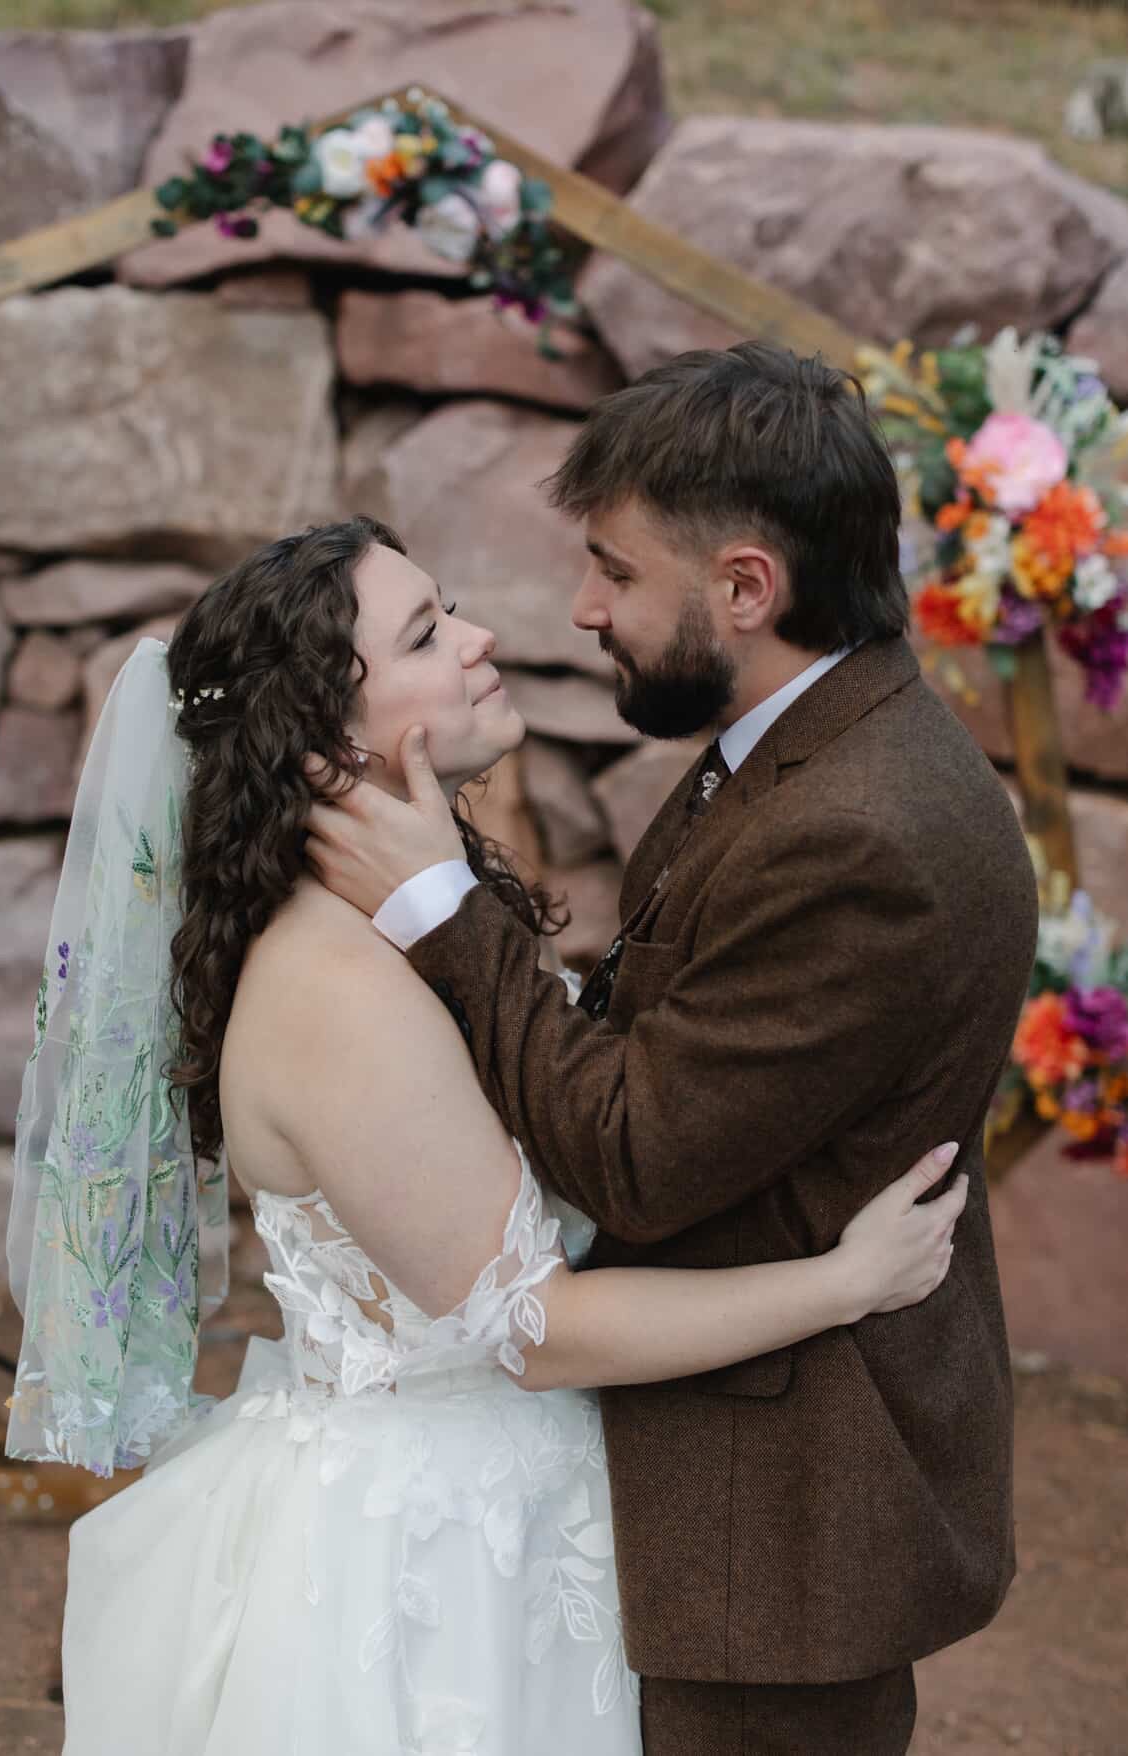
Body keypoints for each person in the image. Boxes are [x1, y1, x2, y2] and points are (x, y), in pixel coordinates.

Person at [4, 518, 963, 1756]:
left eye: (446, 606)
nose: (481, 637)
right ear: (325, 737)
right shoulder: (337, 991)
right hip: (431, 1569)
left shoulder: (404, 919)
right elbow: (536, 1330)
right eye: (425, 632)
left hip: (507, 1508)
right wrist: (842, 1283)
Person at [305, 345, 1043, 1756]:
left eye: (614, 573)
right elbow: (670, 1034)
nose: (581, 609)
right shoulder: (797, 748)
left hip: (782, 1512)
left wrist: (442, 914)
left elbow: (637, 1159)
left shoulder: (862, 832)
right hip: (712, 1455)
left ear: (746, 589)